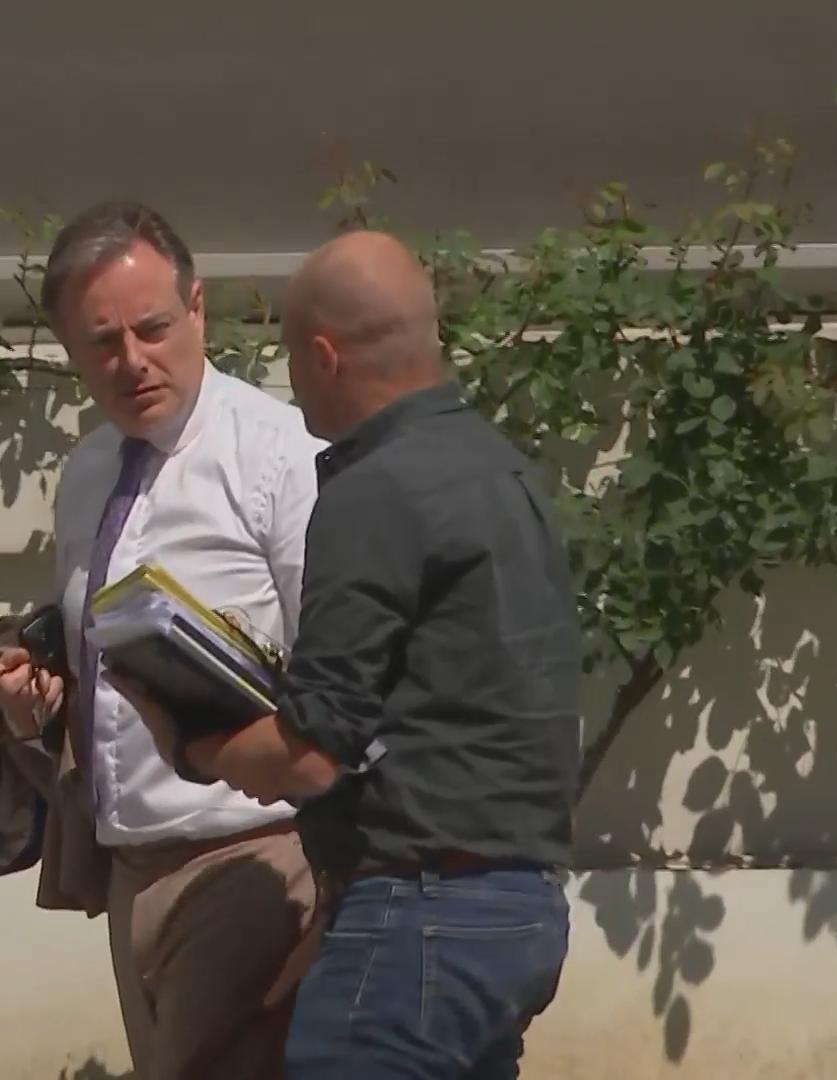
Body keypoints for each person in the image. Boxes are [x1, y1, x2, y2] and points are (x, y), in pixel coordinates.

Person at [116, 229, 583, 1079]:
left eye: (291, 359)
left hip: (420, 917)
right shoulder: (504, 471)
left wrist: (189, 742)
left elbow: (313, 753)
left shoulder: (376, 491)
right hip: (520, 909)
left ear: (324, 357)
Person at [0, 200, 329, 1080]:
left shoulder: (279, 457)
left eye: (152, 328)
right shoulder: (88, 472)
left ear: (198, 309)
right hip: (129, 871)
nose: (133, 360)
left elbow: (342, 682)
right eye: (103, 342)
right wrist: (42, 698)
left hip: (253, 862)